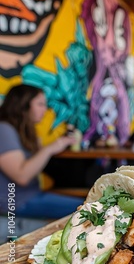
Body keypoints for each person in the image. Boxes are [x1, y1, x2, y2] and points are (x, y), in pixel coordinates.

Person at [0, 84, 83, 218]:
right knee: (86, 208)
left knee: (87, 204)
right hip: (16, 203)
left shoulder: (23, 131)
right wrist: (50, 148)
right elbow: (22, 176)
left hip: (31, 196)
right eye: (40, 104)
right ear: (23, 105)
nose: (45, 109)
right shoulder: (4, 130)